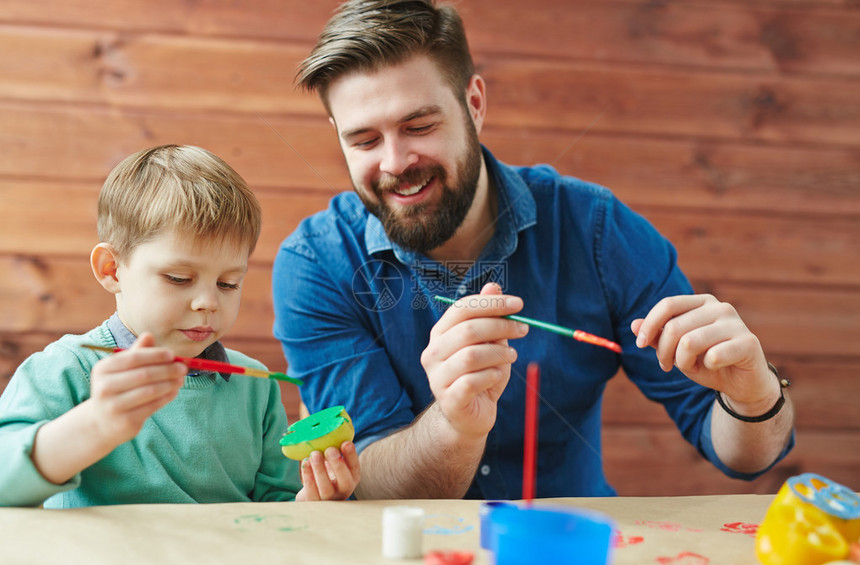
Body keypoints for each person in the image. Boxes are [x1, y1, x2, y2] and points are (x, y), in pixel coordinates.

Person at [272, 0, 794, 500]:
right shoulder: (316, 263)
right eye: (364, 141)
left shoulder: (595, 229)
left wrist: (753, 396)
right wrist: (453, 425)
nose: (394, 162)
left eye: (419, 126)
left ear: (474, 105)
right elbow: (370, 480)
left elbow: (742, 453)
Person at [0, 144, 360, 507]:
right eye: (178, 278)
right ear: (112, 269)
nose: (208, 302)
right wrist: (95, 424)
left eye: (228, 283)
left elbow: (276, 508)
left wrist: (313, 503)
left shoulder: (255, 387)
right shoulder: (64, 370)